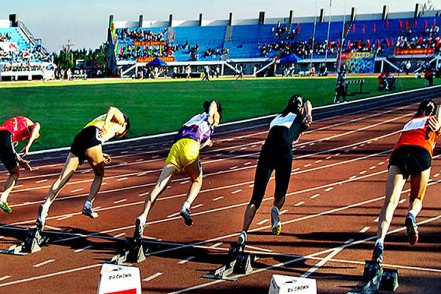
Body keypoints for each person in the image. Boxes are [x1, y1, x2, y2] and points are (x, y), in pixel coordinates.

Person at [132, 101, 222, 239]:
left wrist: (206, 143)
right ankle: (186, 206)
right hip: (190, 146)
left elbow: (197, 141)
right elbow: (214, 103)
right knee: (197, 180)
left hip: (176, 147)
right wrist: (211, 114)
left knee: (159, 185)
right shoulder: (208, 118)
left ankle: (143, 216)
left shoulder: (196, 118)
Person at [371, 100, 441, 265]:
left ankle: (379, 242)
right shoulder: (433, 121)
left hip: (399, 153)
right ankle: (411, 215)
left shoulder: (410, 122)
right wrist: (439, 119)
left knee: (389, 202)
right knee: (416, 199)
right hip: (422, 151)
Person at [235, 95, 313, 248]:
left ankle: (243, 232)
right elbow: (308, 103)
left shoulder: (277, 118)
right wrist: (308, 113)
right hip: (284, 151)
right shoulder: (298, 117)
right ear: (300, 108)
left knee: (255, 198)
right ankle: (276, 208)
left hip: (266, 152)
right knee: (280, 195)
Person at [35, 107, 129, 229]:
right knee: (99, 175)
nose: (119, 134)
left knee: (63, 178)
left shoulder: (100, 121)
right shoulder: (121, 121)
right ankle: (88, 205)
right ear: (125, 126)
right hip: (92, 138)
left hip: (81, 137)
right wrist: (106, 125)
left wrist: (101, 154)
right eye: (122, 132)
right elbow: (112, 109)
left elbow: (91, 143)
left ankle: (46, 206)